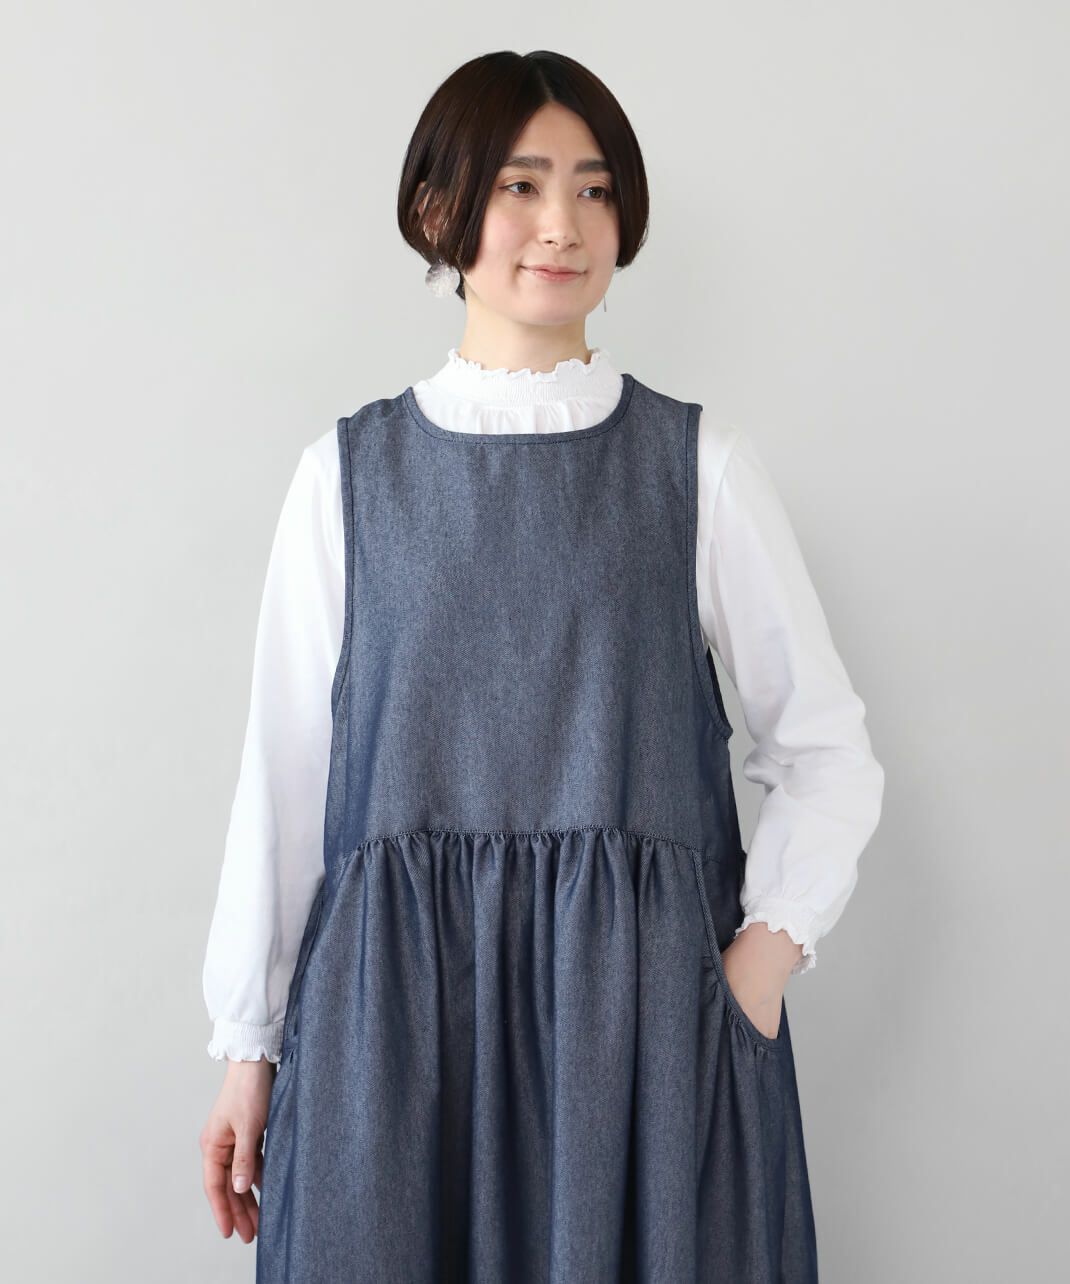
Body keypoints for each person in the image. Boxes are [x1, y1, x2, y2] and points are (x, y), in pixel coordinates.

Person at [199, 49, 884, 1282]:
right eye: (519, 185)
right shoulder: (345, 480)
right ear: (437, 210)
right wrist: (248, 1045)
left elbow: (825, 749)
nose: (562, 224)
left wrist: (754, 972)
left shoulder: (698, 469)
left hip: (642, 1037)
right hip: (392, 1037)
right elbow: (286, 781)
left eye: (594, 188)